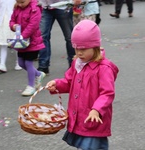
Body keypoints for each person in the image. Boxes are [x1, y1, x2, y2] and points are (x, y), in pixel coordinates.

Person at [46, 20, 119, 150]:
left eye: (83, 49)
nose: (79, 53)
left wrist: (96, 109)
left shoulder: (104, 68)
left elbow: (107, 93)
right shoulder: (77, 63)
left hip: (94, 119)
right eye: (76, 48)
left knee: (91, 146)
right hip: (80, 118)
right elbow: (69, 82)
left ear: (95, 46)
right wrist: (57, 84)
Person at [9, 0, 46, 96]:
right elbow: (12, 20)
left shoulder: (35, 8)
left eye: (22, 2)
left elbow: (33, 25)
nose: (20, 4)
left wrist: (23, 35)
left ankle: (31, 86)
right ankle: (38, 74)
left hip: (33, 41)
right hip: (21, 42)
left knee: (28, 63)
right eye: (18, 2)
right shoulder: (17, 7)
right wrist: (13, 26)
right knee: (21, 63)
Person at [37, 0, 75, 74]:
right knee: (43, 36)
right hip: (45, 6)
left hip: (63, 6)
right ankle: (43, 66)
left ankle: (73, 64)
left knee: (69, 37)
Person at [0, 0, 22, 73]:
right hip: (3, 23)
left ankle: (18, 63)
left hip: (14, 22)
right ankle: (2, 64)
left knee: (16, 43)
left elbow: (20, 5)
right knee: (4, 44)